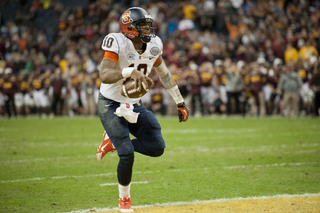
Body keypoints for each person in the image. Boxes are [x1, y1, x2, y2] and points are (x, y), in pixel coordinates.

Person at [95, 7, 189, 212]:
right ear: (129, 28)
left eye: (148, 25)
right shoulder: (116, 41)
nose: (148, 29)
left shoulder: (154, 45)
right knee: (127, 154)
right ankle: (124, 200)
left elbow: (164, 74)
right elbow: (104, 74)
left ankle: (113, 142)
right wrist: (130, 72)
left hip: (133, 104)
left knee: (157, 147)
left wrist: (179, 101)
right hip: (110, 102)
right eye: (143, 26)